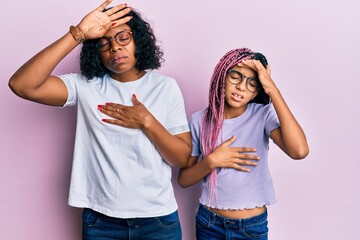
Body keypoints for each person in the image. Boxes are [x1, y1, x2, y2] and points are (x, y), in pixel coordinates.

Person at [9, 1, 192, 239]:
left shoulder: (165, 87)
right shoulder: (85, 85)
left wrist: (148, 122)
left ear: (139, 40)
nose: (115, 48)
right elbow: (21, 85)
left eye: (123, 38)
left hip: (157, 220)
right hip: (101, 221)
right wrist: (78, 34)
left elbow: (182, 159)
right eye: (104, 44)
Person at [178, 48, 309, 239]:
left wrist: (272, 89)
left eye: (252, 84)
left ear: (257, 91)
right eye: (235, 77)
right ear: (222, 76)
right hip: (209, 224)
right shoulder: (200, 120)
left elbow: (299, 151)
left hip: (251, 226)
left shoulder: (263, 115)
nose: (241, 87)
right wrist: (212, 161)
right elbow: (184, 180)